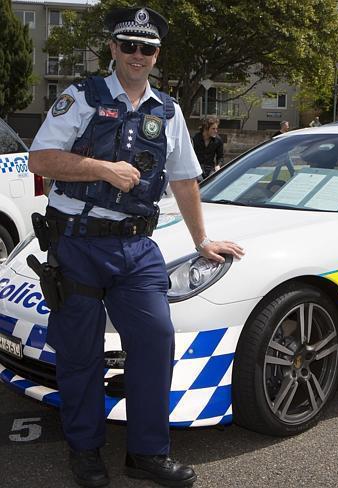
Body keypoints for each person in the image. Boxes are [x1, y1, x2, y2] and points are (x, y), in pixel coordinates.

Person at [28, 7, 244, 488]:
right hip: (78, 244)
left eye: (147, 48)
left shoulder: (167, 109)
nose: (138, 55)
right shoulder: (81, 97)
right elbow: (39, 158)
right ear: (113, 49)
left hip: (138, 247)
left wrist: (201, 239)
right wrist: (103, 169)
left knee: (154, 345)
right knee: (79, 354)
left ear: (156, 55)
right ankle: (85, 450)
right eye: (129, 45)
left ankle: (147, 452)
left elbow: (186, 178)